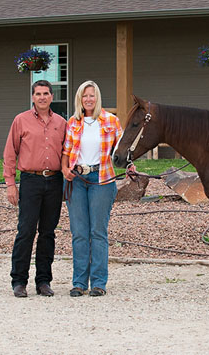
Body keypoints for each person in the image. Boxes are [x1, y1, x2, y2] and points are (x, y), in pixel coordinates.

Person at [3, 79, 67, 298]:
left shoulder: (61, 122)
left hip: (55, 181)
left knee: (48, 233)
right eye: (38, 94)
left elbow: (67, 153)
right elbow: (10, 153)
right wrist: (11, 184)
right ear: (33, 97)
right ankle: (19, 281)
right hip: (31, 180)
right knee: (26, 230)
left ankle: (43, 281)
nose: (42, 97)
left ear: (51, 97)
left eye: (46, 93)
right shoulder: (20, 121)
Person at [61, 80, 124, 297]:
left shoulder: (111, 121)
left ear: (97, 98)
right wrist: (64, 170)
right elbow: (66, 152)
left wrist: (130, 166)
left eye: (92, 95)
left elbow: (123, 151)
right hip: (77, 179)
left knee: (98, 232)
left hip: (102, 178)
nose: (88, 99)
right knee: (79, 232)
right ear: (79, 99)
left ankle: (98, 283)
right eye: (84, 96)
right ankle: (79, 282)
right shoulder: (73, 122)